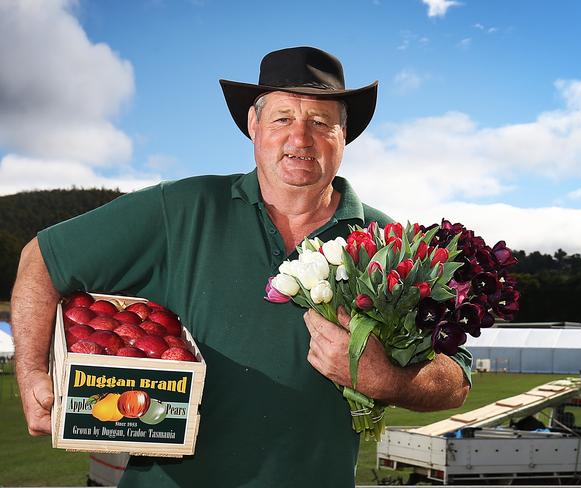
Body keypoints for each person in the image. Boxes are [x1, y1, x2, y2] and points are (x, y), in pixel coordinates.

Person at [11, 46, 472, 487]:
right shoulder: (184, 207)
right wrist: (33, 374)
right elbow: (43, 258)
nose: (300, 138)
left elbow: (456, 379)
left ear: (343, 135)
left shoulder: (387, 245)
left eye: (320, 122)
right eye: (282, 119)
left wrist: (386, 379)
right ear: (253, 124)